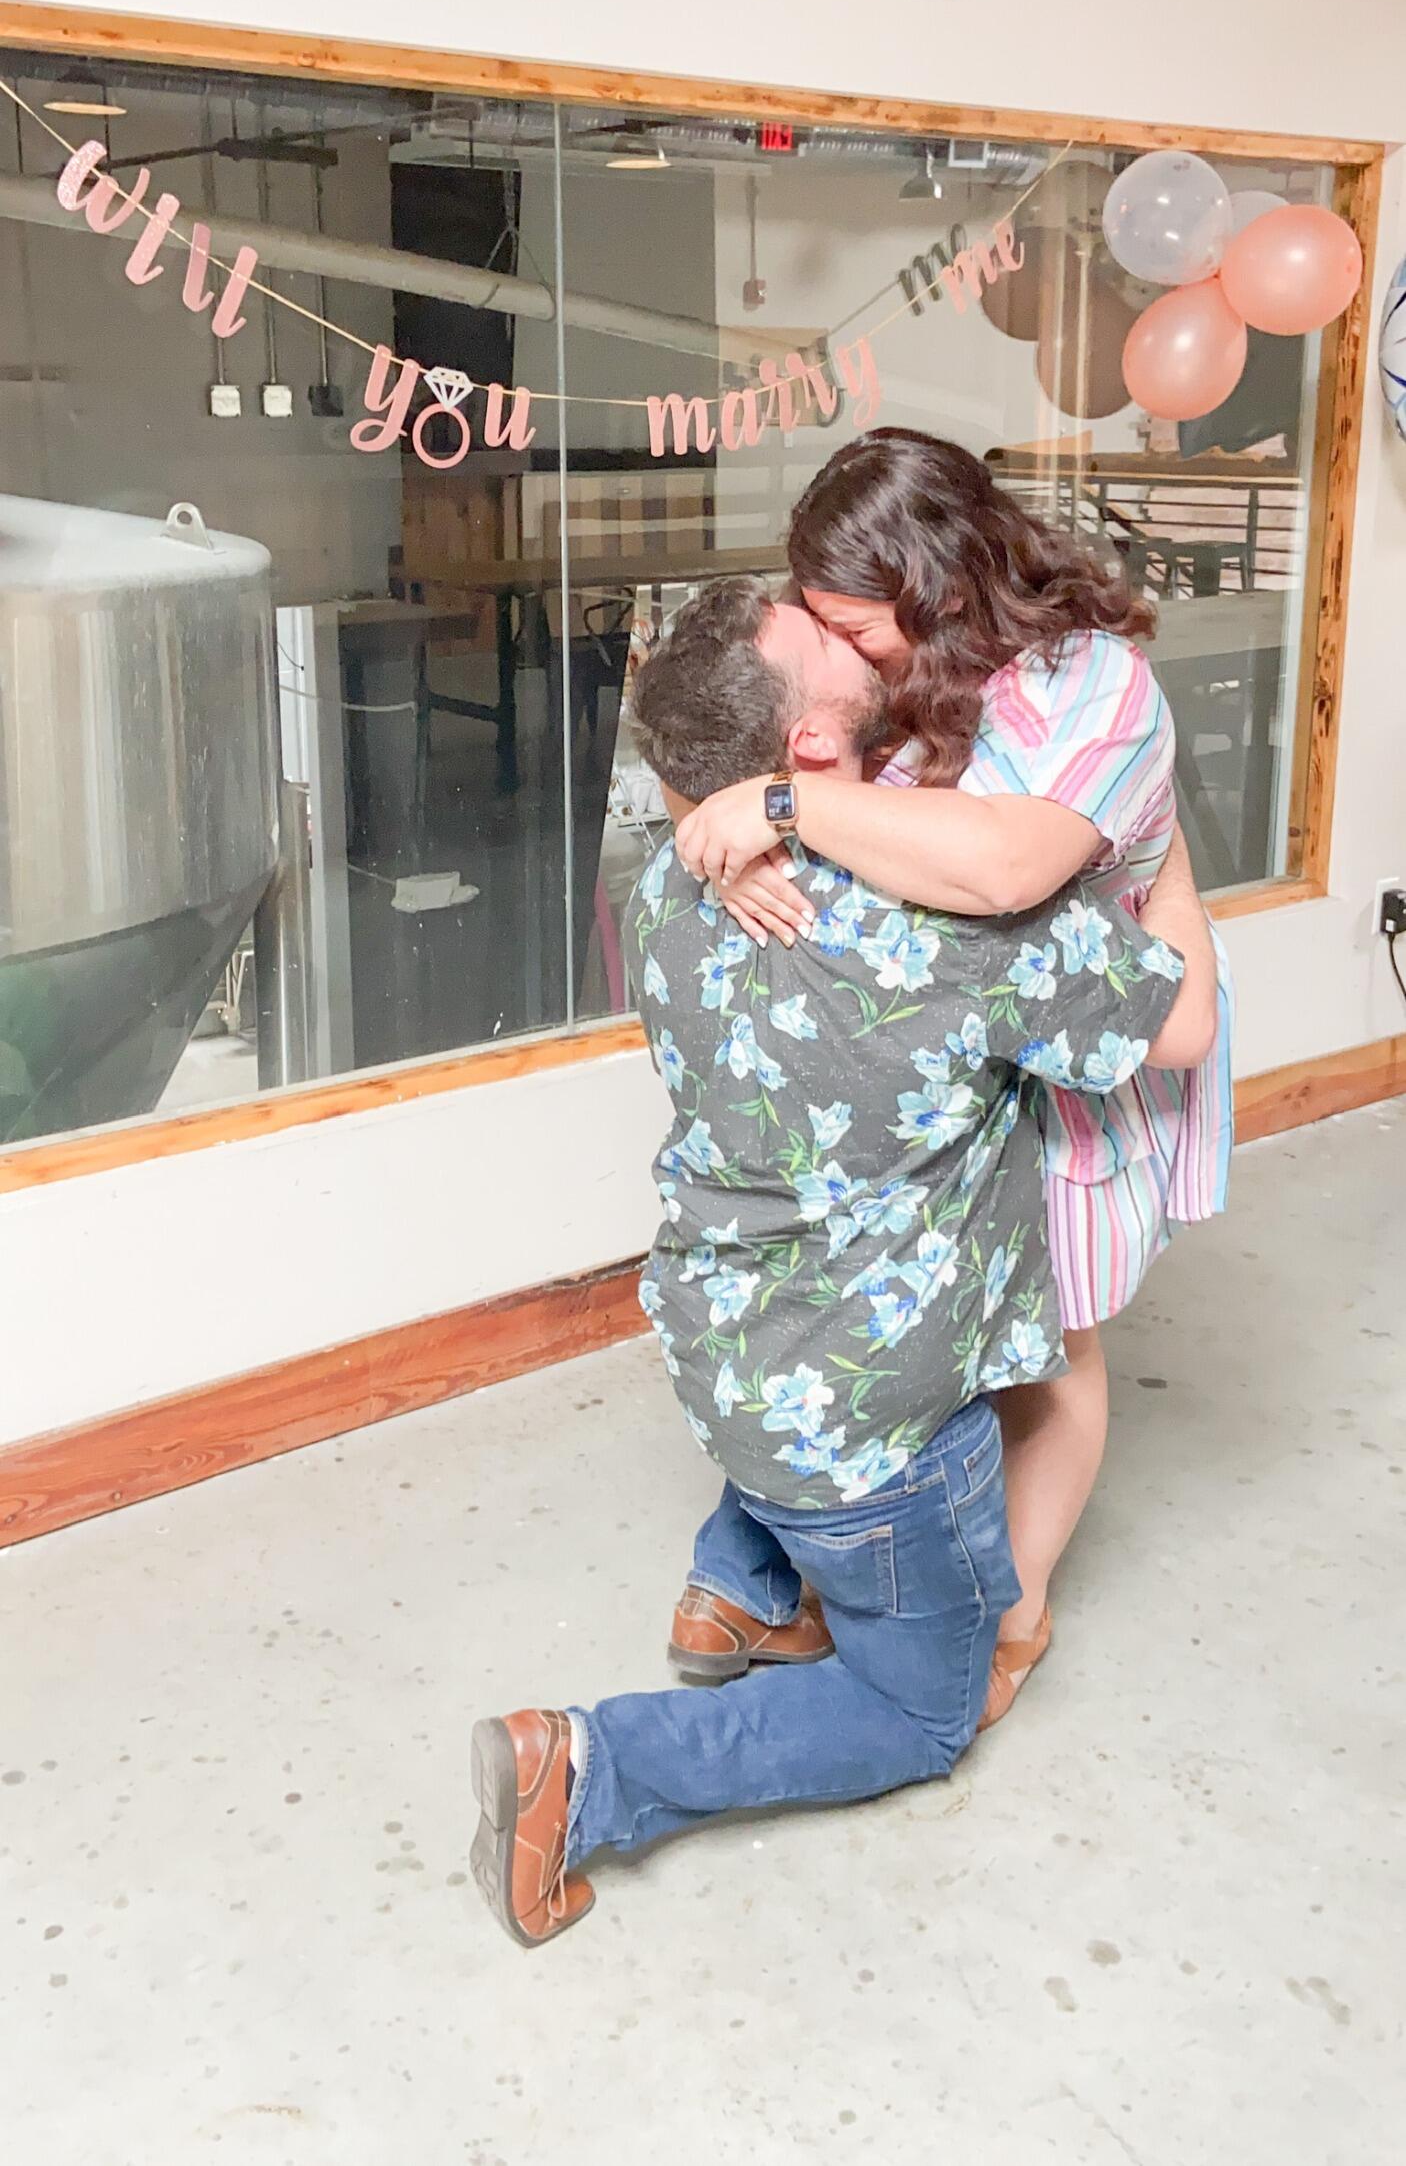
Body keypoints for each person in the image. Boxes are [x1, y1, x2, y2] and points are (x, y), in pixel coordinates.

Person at [469, 577, 1216, 1948]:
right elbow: (1175, 1029)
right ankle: (594, 1773)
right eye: (834, 644)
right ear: (809, 747)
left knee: (799, 1391)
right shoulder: (950, 929)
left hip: (715, 1342)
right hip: (874, 1440)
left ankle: (735, 1580)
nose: (873, 638)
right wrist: (1145, 842)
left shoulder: (671, 879)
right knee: (914, 1710)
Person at [671, 429, 1235, 1722]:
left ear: (935, 589)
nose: (844, 655)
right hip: (940, 1072)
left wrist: (779, 811)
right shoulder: (886, 667)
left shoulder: (1088, 686)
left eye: (856, 629)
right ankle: (833, 1571)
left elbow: (999, 873)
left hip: (1074, 1055)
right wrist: (739, 811)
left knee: (1047, 1350)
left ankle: (1015, 1608)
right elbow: (723, 716)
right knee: (914, 1331)